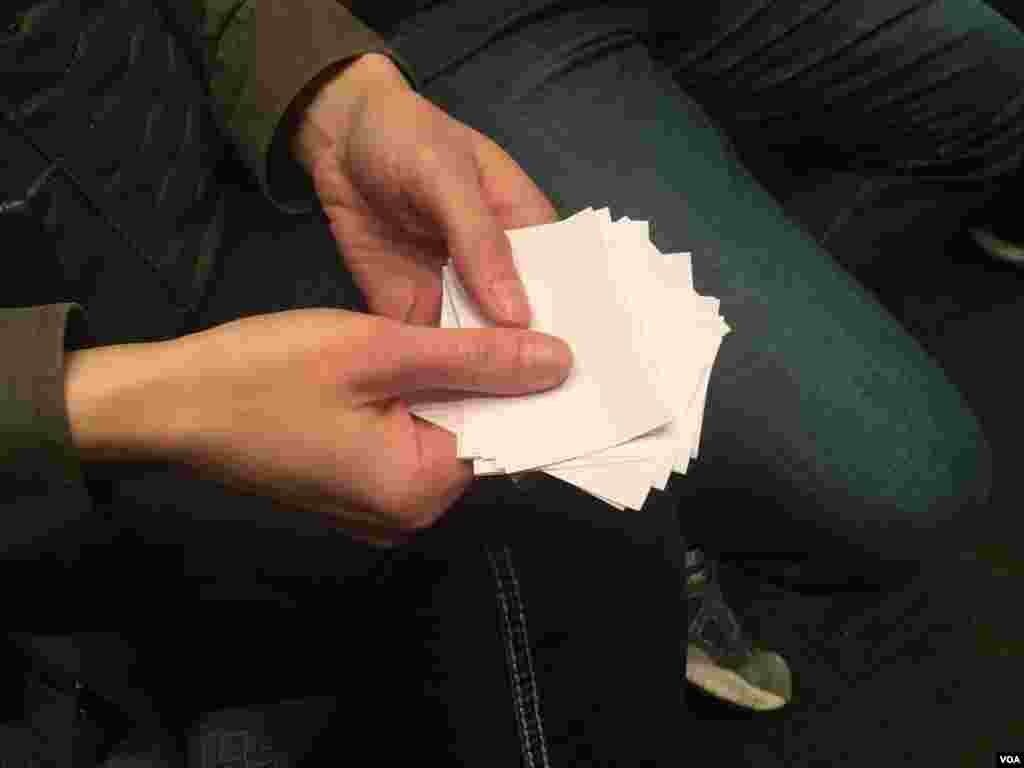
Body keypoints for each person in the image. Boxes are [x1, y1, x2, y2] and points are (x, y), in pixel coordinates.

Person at [1, 0, 1003, 765]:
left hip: (232, 139)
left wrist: (329, 87)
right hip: (92, 394)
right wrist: (90, 399)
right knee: (852, 486)